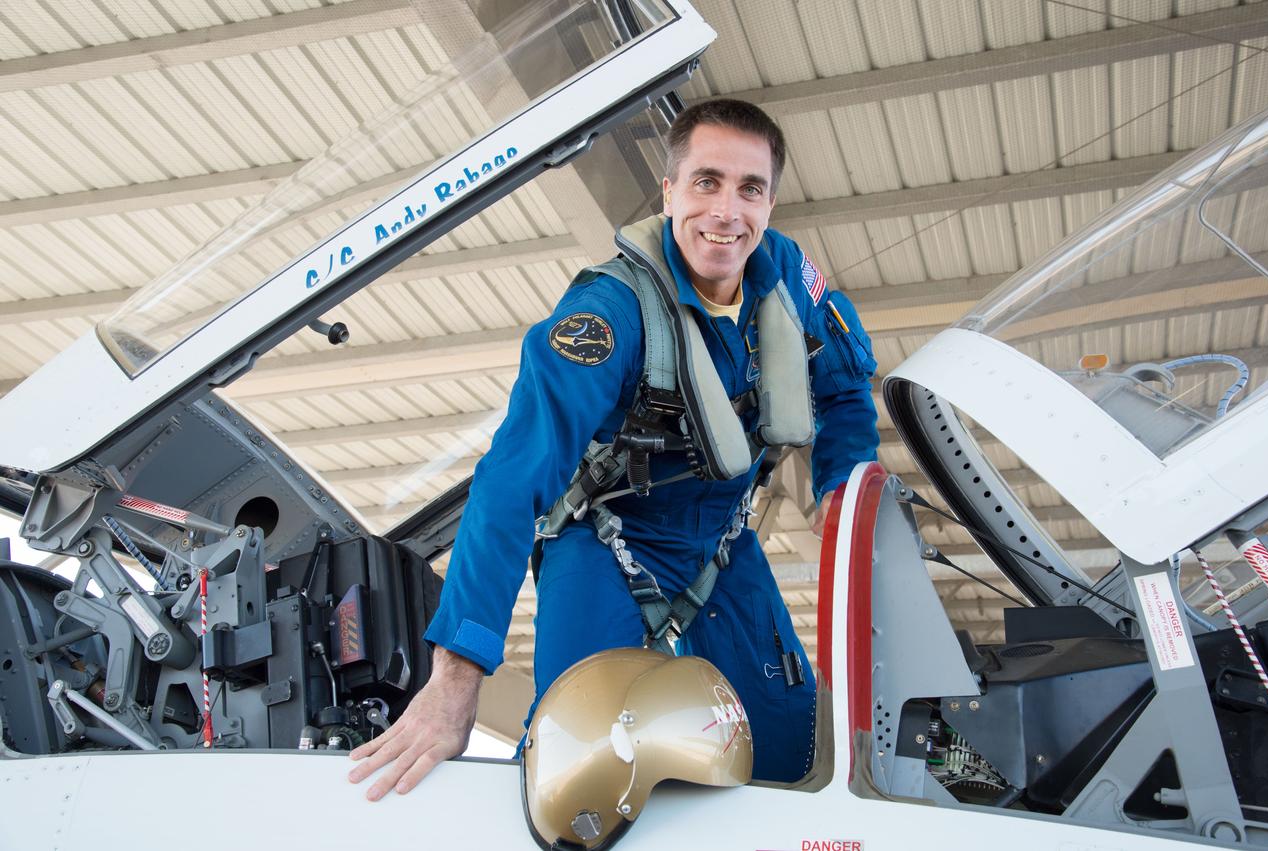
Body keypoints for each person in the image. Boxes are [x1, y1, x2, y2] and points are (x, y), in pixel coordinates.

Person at [348, 99, 878, 800]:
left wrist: (841, 488)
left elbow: (843, 391)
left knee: (798, 750)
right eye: (706, 182)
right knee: (578, 761)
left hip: (722, 547)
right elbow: (511, 481)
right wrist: (455, 680)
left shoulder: (785, 281)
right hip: (607, 542)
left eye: (749, 189)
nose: (726, 211)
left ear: (770, 201)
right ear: (668, 191)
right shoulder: (607, 316)